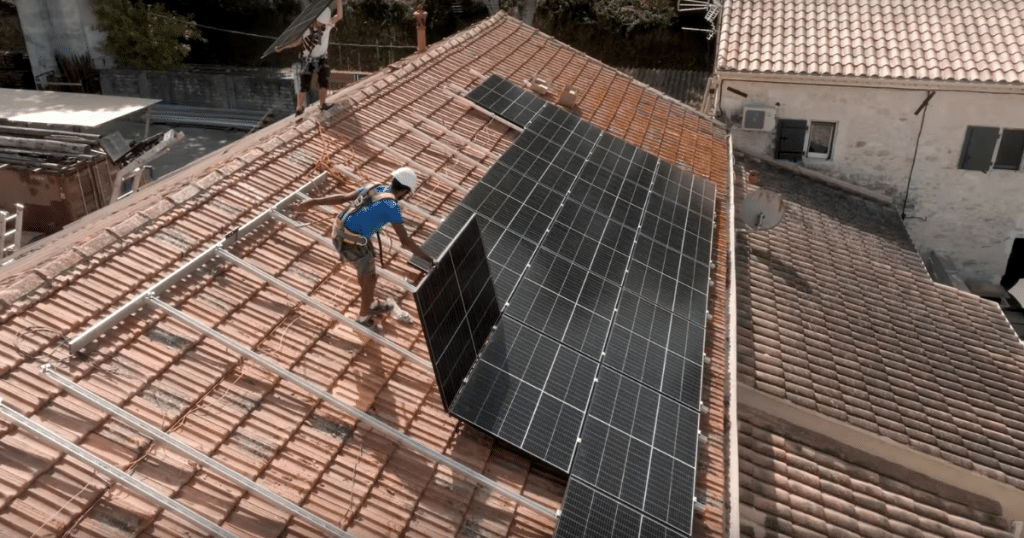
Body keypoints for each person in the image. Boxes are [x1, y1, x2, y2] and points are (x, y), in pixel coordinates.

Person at [293, 167, 434, 329]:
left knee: (367, 270)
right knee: (371, 280)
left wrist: (311, 202)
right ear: (404, 191)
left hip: (340, 231)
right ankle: (363, 319)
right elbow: (405, 242)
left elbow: (342, 198)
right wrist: (427, 259)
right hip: (351, 243)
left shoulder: (374, 187)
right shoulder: (391, 206)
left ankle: (371, 304)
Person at [275, 0, 344, 115]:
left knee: (324, 78)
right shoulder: (306, 29)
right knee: (304, 83)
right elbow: (296, 42)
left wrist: (338, 2)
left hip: (322, 57)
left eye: (322, 24)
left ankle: (322, 104)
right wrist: (282, 47)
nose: (321, 26)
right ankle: (299, 108)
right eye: (319, 24)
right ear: (316, 20)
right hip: (308, 59)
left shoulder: (327, 24)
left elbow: (339, 16)